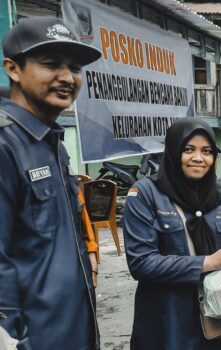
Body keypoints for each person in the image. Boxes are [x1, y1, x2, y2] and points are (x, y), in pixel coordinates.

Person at [0, 17, 102, 349]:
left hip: (72, 331)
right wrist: (15, 338)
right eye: (50, 64)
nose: (66, 77)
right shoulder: (5, 145)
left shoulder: (51, 142)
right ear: (13, 69)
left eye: (74, 68)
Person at [123, 118, 221, 349]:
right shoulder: (145, 194)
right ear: (173, 152)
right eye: (188, 149)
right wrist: (207, 262)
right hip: (165, 320)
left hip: (217, 320)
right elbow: (141, 263)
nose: (198, 158)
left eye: (206, 151)